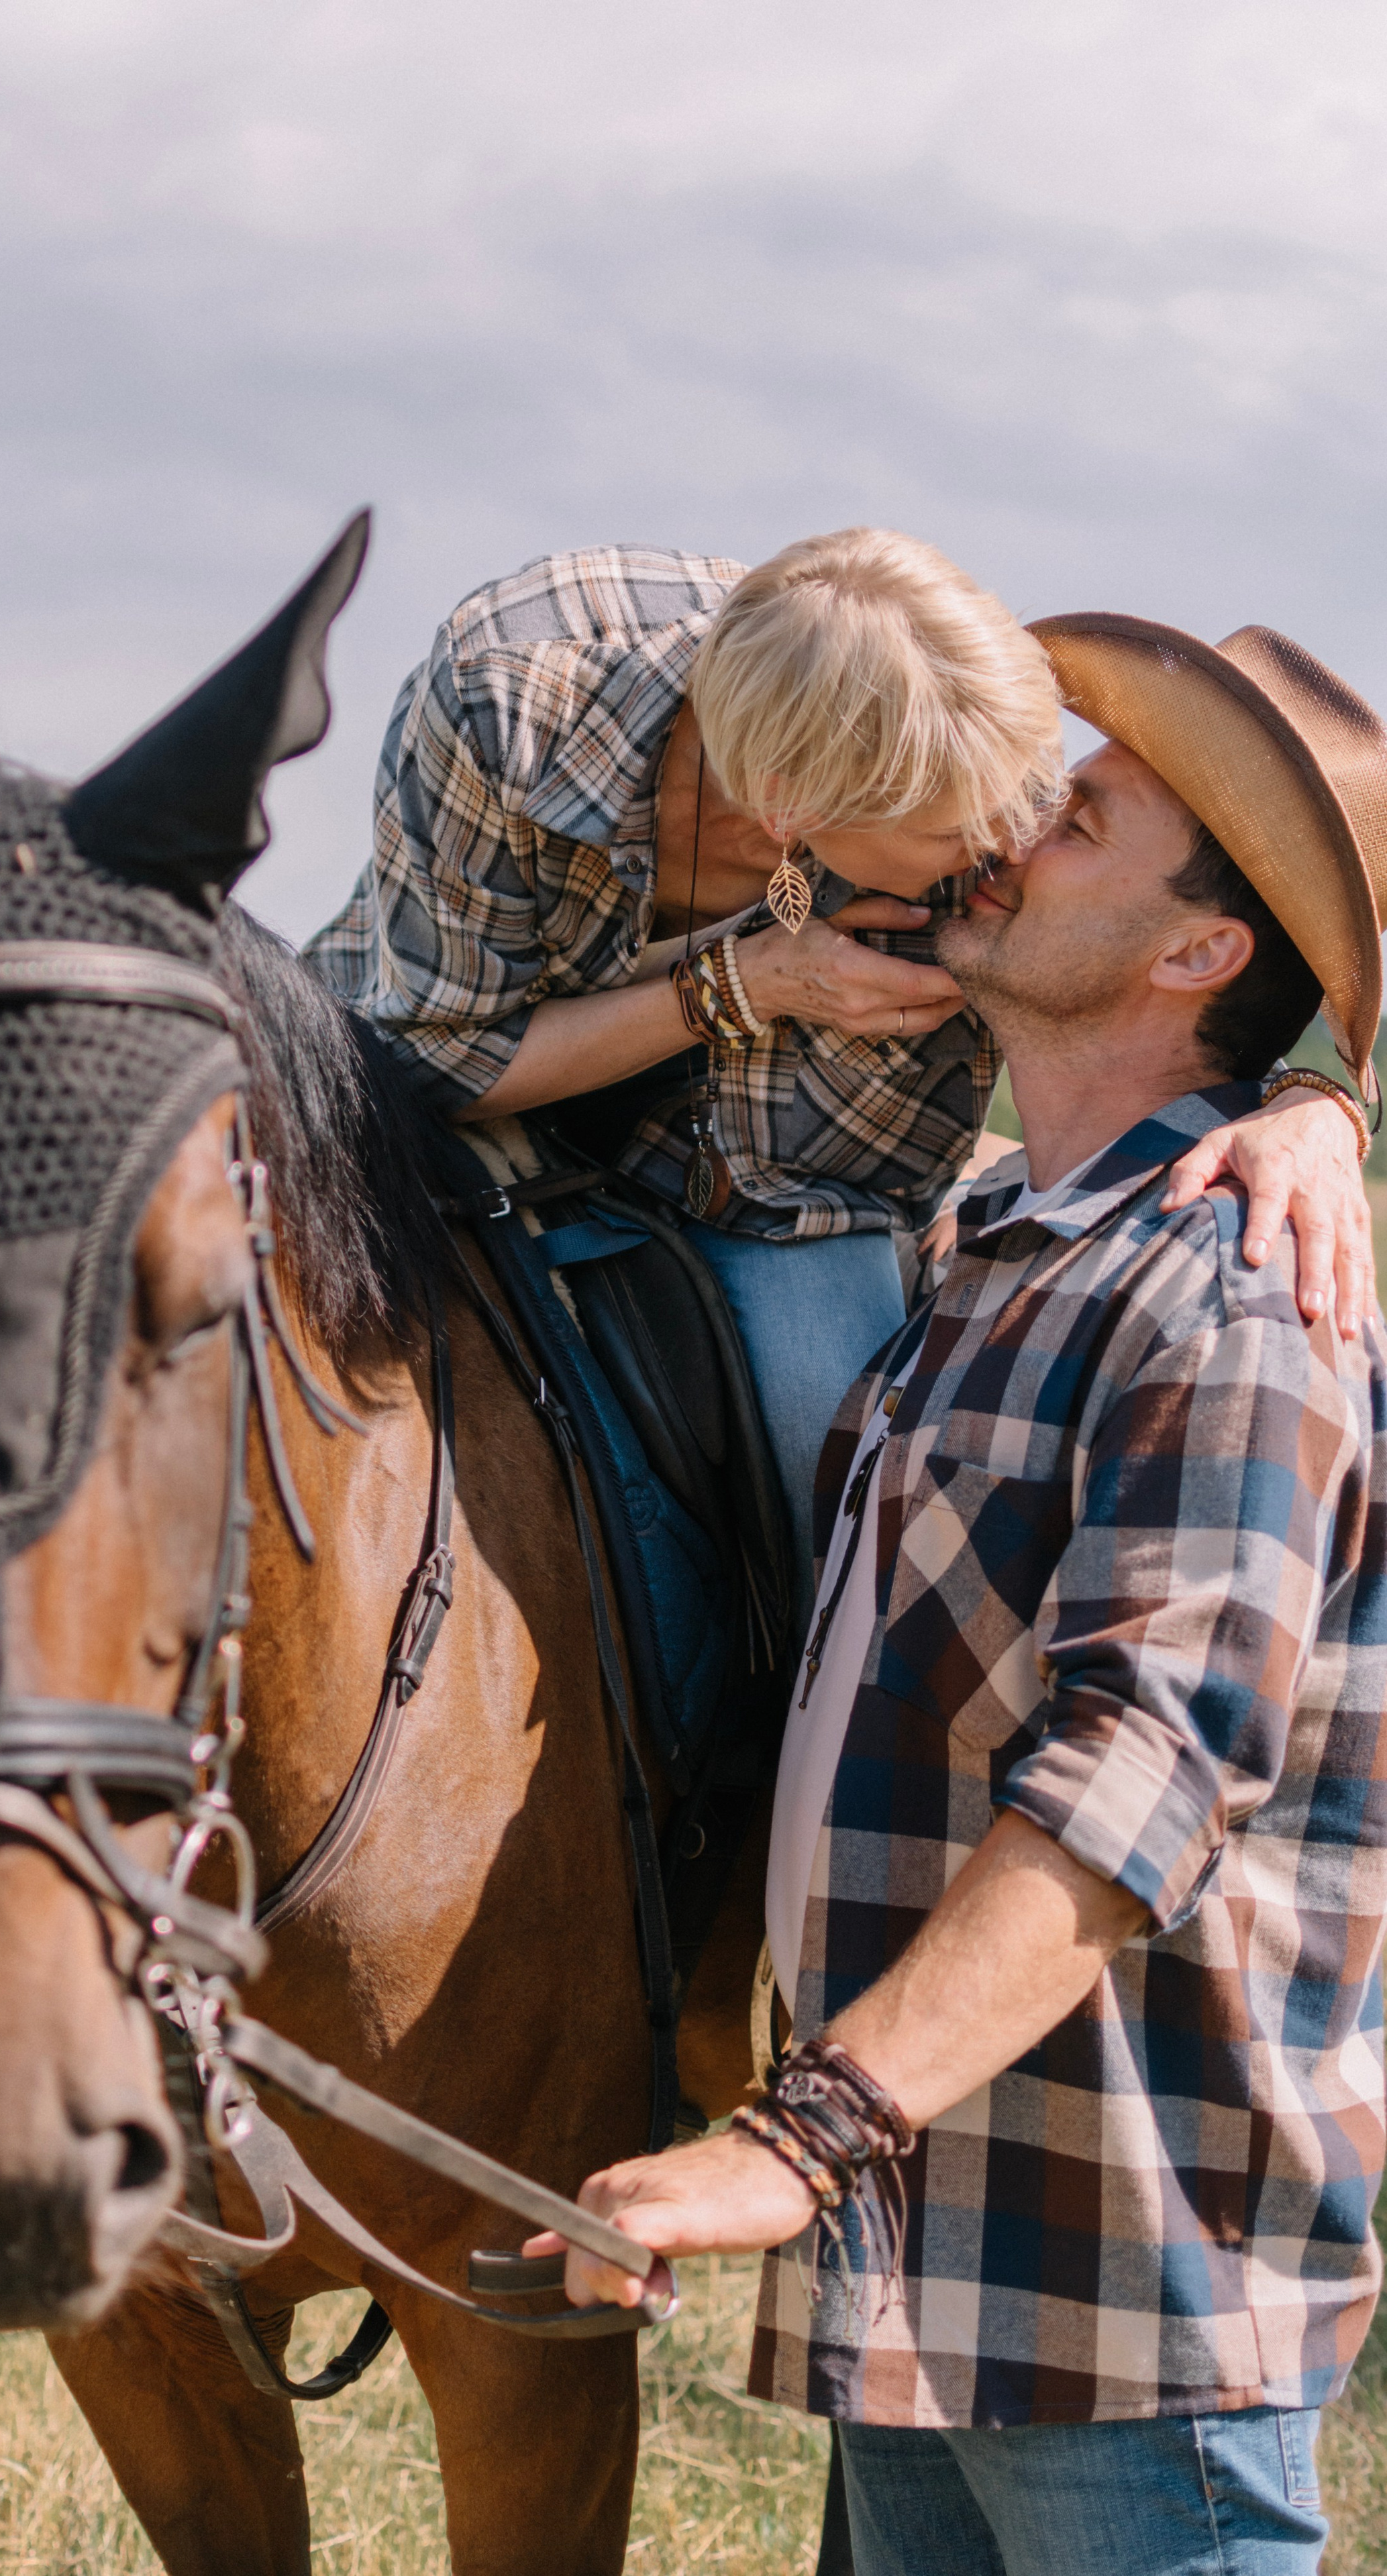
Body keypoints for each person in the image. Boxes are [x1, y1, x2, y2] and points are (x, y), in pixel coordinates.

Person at [527, 612, 1387, 2575]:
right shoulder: (990, 1242)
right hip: (931, 2268)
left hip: (1125, 2290)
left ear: (1196, 955)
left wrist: (795, 2136)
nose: (1009, 829)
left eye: (1080, 820)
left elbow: (1142, 1780)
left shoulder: (1233, 1299)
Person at [305, 537, 1375, 1628]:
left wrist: (1313, 1105)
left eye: (1036, 806)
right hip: (454, 1098)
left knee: (856, 1543)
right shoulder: (515, 705)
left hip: (799, 1203)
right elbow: (438, 1054)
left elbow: (1150, 986)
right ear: (785, 810)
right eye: (962, 833)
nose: (1005, 842)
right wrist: (740, 984)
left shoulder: (963, 761)